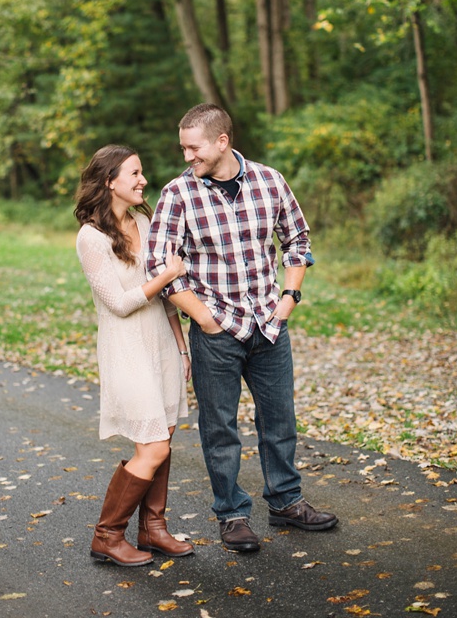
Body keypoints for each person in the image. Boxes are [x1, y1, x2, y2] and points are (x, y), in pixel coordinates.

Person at [145, 104, 338, 553]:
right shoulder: (177, 194)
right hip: (217, 333)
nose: (187, 156)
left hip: (270, 325)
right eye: (184, 148)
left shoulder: (270, 182)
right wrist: (206, 318)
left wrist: (289, 297)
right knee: (220, 428)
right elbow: (159, 266)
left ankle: (286, 502)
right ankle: (232, 514)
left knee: (280, 420)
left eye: (193, 148)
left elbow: (296, 239)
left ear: (221, 142)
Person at [75, 145, 194, 567]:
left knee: (164, 439)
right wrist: (167, 274)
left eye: (142, 172)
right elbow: (120, 303)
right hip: (125, 347)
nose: (144, 180)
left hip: (160, 341)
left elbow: (164, 300)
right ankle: (107, 536)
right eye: (135, 173)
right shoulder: (91, 238)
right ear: (110, 181)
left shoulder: (145, 220)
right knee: (154, 447)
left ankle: (153, 530)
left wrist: (181, 348)